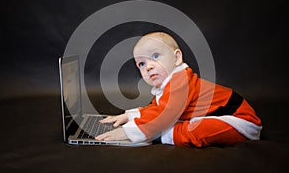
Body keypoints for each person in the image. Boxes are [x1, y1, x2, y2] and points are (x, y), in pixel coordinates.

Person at [96, 32, 262, 147]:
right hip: (219, 115)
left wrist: (128, 132)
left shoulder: (181, 80)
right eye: (142, 63)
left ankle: (162, 136)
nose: (149, 67)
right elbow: (156, 109)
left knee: (195, 131)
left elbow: (164, 114)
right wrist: (130, 115)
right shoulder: (166, 85)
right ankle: (159, 132)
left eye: (155, 56)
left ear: (177, 58)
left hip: (240, 121)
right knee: (173, 121)